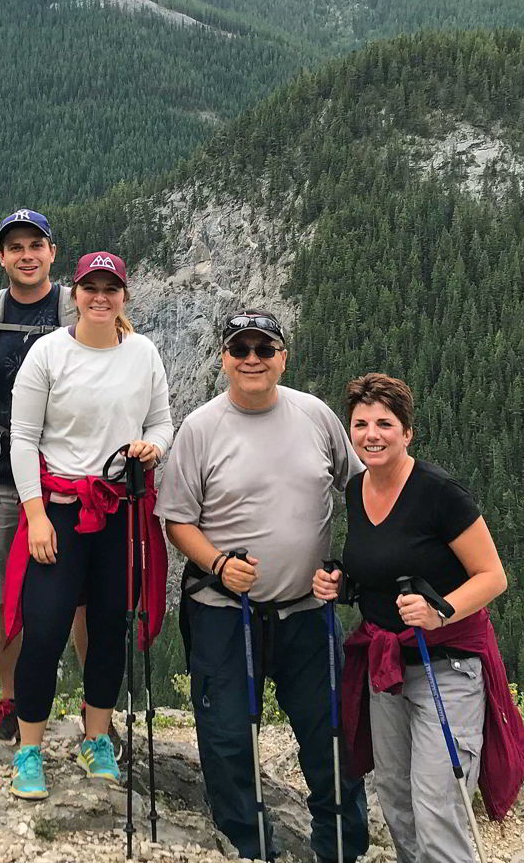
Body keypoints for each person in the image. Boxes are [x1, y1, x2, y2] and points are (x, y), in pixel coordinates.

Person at [159, 310, 369, 863]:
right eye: (240, 348)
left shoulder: (316, 416)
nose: (252, 358)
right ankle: (251, 852)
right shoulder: (200, 428)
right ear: (225, 358)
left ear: (283, 356)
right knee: (228, 743)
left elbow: (361, 491)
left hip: (306, 611)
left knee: (332, 741)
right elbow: (177, 520)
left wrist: (352, 567)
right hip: (225, 610)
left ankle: (341, 851)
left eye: (263, 348)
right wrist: (220, 564)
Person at [313, 373, 524, 863]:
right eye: (362, 423)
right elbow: (380, 570)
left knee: (437, 806)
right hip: (384, 666)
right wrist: (341, 584)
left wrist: (440, 611)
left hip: (445, 665)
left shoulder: (439, 493)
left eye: (385, 424)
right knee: (396, 799)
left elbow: (493, 576)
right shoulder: (355, 489)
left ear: (407, 433)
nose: (372, 434)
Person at [3, 250, 173, 800]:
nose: (100, 297)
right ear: (73, 294)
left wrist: (155, 445)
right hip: (58, 508)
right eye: (90, 288)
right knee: (47, 628)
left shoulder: (143, 353)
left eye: (111, 288)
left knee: (108, 629)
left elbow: (162, 421)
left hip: (120, 509)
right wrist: (34, 516)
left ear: (124, 295)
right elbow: (23, 438)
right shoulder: (49, 354)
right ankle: (29, 747)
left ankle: (94, 737)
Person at [0, 208, 88, 744]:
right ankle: (10, 701)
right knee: (2, 595)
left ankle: (91, 710)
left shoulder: (80, 315)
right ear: (2, 257)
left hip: (72, 481)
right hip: (1, 477)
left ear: (53, 253)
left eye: (37, 245)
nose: (27, 255)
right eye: (16, 247)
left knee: (82, 598)